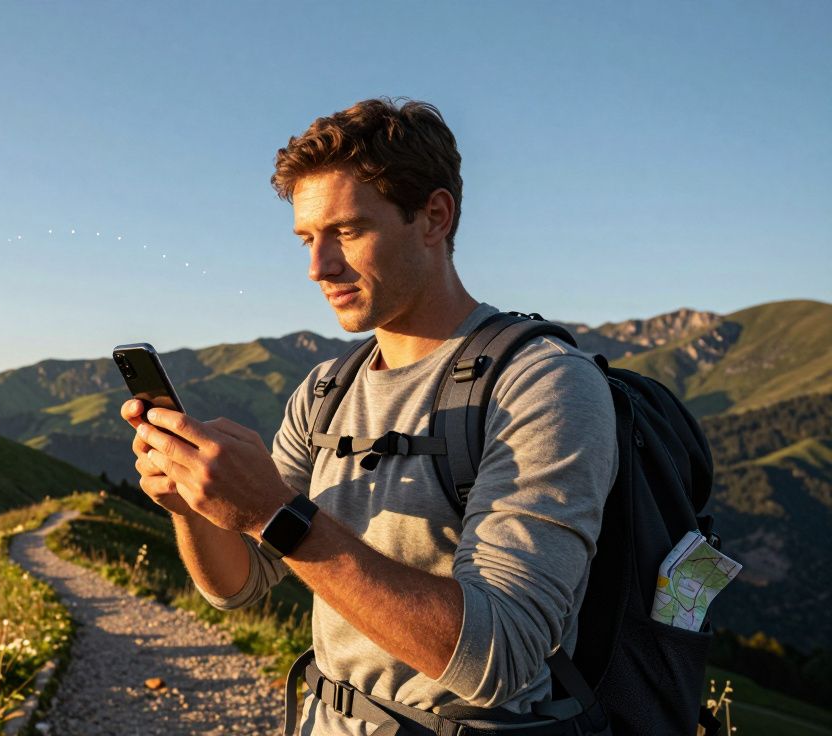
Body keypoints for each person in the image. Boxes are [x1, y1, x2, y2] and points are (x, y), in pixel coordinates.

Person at [119, 97, 617, 735]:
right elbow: (241, 584)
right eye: (307, 239)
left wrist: (274, 513)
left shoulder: (541, 385)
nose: (317, 268)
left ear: (434, 216)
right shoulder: (327, 389)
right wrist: (192, 503)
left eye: (347, 232)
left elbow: (501, 657)